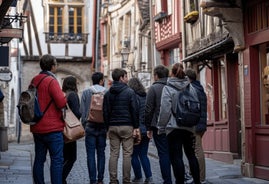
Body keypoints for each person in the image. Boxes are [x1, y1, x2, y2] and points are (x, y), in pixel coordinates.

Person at [157, 63, 200, 184]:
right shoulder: (191, 87)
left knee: (177, 157)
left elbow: (165, 109)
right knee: (191, 155)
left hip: (174, 127)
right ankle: (197, 181)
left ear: (172, 73)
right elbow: (196, 107)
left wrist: (161, 127)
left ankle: (180, 182)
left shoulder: (168, 88)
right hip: (189, 126)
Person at [31, 54, 67, 184]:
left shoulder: (34, 80)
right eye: (55, 64)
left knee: (39, 159)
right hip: (52, 128)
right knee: (57, 159)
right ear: (52, 66)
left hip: (37, 126)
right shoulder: (51, 81)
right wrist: (64, 96)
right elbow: (61, 103)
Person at [103, 68, 139, 184]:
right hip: (127, 126)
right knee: (127, 154)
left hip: (113, 126)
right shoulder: (130, 92)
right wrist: (136, 127)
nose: (127, 79)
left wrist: (108, 127)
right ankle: (126, 180)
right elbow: (134, 110)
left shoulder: (108, 93)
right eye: (126, 76)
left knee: (113, 153)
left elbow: (105, 112)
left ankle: (113, 180)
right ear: (121, 78)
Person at [145, 65, 172, 184]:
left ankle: (167, 180)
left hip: (159, 126)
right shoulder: (173, 86)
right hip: (175, 125)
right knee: (176, 153)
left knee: (163, 153)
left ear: (156, 75)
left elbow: (149, 109)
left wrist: (148, 127)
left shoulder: (154, 88)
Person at [80, 72, 107, 184]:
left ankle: (92, 179)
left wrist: (84, 125)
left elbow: (82, 111)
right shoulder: (107, 92)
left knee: (90, 154)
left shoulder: (86, 92)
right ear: (101, 80)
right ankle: (100, 179)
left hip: (89, 126)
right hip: (102, 126)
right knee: (101, 153)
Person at [128, 78, 153, 183]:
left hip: (136, 129)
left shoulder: (132, 97)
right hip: (146, 129)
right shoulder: (146, 96)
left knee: (133, 155)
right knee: (143, 155)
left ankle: (138, 177)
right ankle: (149, 177)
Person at [185, 68, 207, 184]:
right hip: (200, 123)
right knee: (196, 150)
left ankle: (200, 178)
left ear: (188, 78)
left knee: (197, 150)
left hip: (196, 124)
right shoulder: (199, 88)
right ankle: (196, 175)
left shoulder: (193, 89)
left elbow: (192, 108)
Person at [62, 76, 81, 184]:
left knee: (65, 157)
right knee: (71, 157)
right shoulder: (73, 95)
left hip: (63, 128)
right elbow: (77, 113)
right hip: (71, 129)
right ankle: (61, 177)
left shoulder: (64, 94)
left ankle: (61, 178)